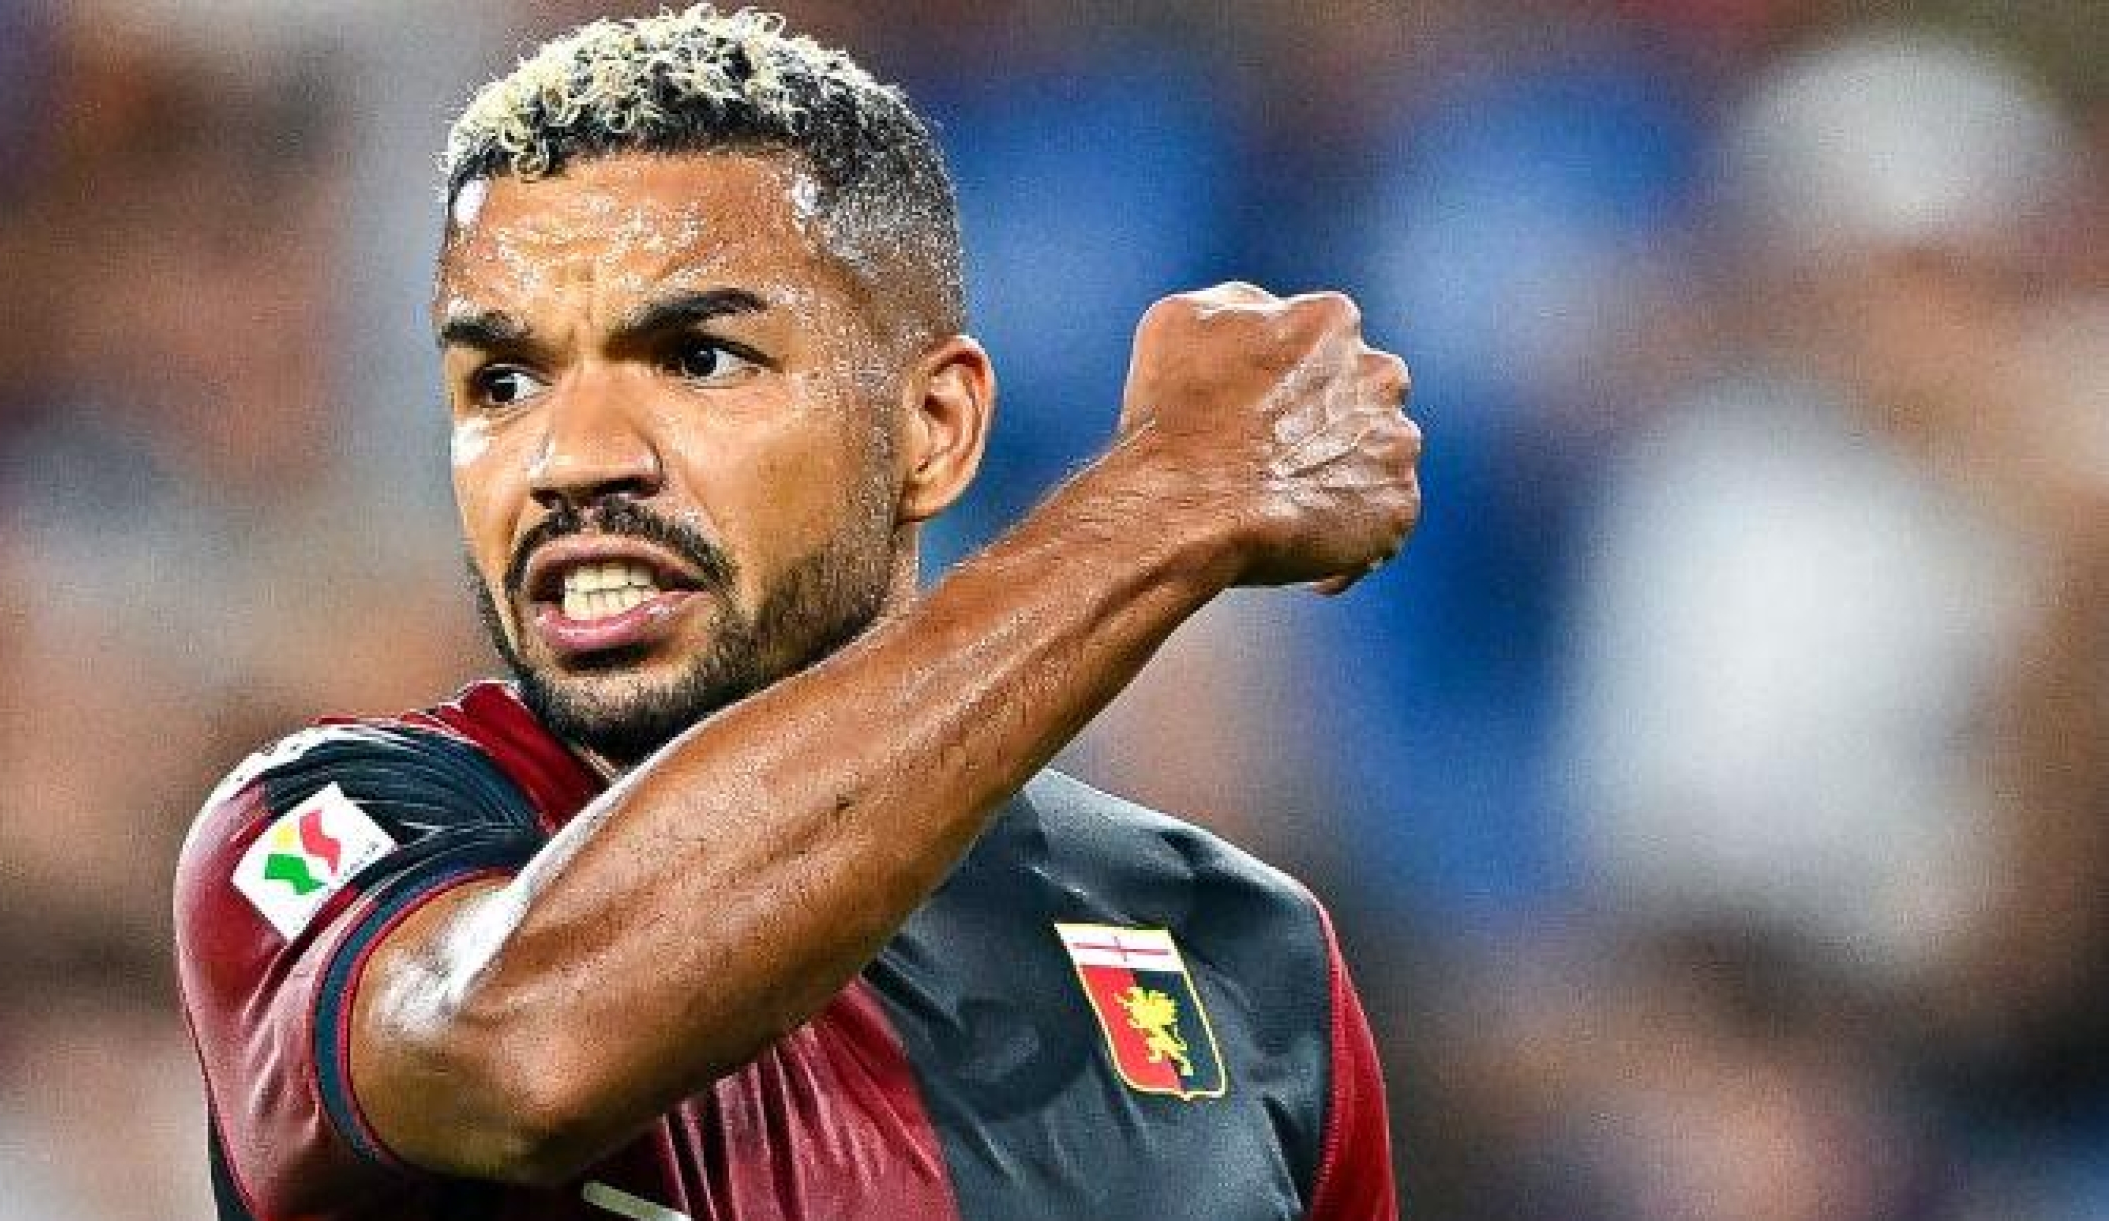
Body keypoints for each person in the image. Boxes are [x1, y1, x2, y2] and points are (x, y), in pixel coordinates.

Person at [173, 8, 1418, 1220]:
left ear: (931, 433)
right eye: (501, 380)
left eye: (699, 358)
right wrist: (1163, 502)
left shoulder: (1244, 957)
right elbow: (518, 1057)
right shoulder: (321, 838)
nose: (571, 457)